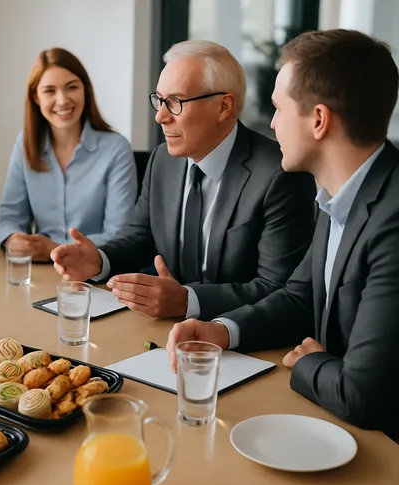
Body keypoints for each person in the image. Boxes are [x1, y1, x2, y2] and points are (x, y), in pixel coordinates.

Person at [166, 30, 399, 441]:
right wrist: (221, 331)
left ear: (319, 120)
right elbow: (299, 298)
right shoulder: (341, 193)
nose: (271, 124)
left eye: (278, 108)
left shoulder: (392, 219)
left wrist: (310, 362)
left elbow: (360, 394)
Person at [51, 40, 316, 320]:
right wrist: (99, 260)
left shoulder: (280, 174)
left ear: (224, 107)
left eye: (175, 102)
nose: (160, 116)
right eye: (160, 100)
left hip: (240, 336)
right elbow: (140, 237)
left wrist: (189, 301)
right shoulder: (162, 160)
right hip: (165, 330)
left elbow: (278, 290)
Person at [0, 48, 136, 261]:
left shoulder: (116, 149)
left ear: (85, 90)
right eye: (49, 91)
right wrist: (13, 238)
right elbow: (9, 216)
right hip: (39, 270)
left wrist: (54, 249)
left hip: (95, 270)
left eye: (72, 87)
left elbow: (119, 234)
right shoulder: (26, 144)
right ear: (36, 97)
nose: (62, 101)